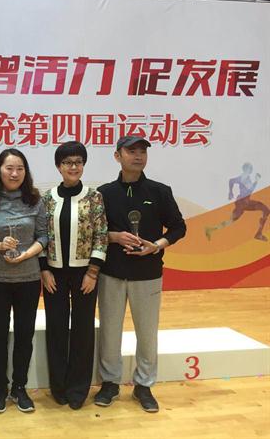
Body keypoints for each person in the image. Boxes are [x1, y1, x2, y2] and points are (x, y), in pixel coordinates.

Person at [94, 135, 186, 413]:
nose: (138, 156)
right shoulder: (103, 193)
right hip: (111, 273)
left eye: (142, 151)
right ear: (117, 156)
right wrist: (114, 236)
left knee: (147, 333)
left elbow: (179, 227)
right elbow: (94, 231)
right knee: (109, 331)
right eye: (131, 151)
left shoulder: (159, 191)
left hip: (148, 274)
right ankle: (110, 383)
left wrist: (156, 245)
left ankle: (144, 385)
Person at [39, 141, 108, 410]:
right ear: (59, 166)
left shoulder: (94, 197)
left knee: (83, 330)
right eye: (67, 162)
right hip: (54, 274)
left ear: (83, 165)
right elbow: (40, 235)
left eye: (78, 162)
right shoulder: (47, 198)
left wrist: (93, 271)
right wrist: (44, 269)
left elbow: (101, 235)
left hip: (85, 275)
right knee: (56, 329)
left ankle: (78, 389)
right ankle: (59, 387)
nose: (73, 167)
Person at [0, 148, 47, 414]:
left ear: (25, 172)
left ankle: (20, 387)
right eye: (9, 168)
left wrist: (26, 255)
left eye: (20, 168)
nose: (14, 173)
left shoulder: (35, 200)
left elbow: (43, 236)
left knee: (24, 335)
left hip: (28, 278)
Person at [205, 162, 268, 242]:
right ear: (246, 169)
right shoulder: (244, 177)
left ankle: (210, 229)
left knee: (231, 220)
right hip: (244, 202)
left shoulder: (242, 177)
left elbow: (231, 181)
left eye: (250, 168)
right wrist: (256, 181)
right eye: (249, 168)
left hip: (242, 203)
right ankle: (258, 234)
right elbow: (250, 190)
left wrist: (230, 192)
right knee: (265, 209)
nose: (250, 170)